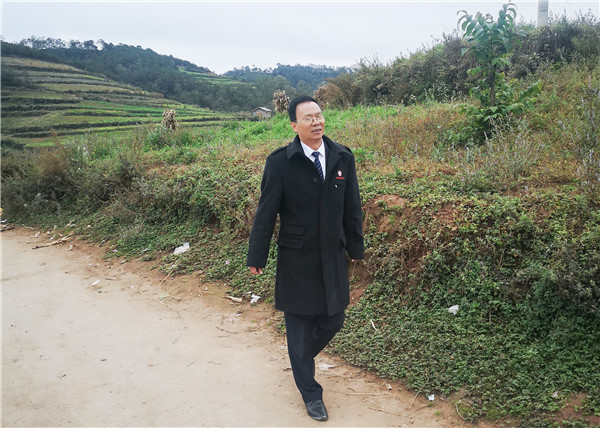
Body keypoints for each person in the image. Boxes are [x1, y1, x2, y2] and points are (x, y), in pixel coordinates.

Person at [246, 95, 364, 421]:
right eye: (308, 118)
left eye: (319, 115)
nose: (316, 122)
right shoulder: (280, 163)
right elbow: (266, 212)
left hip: (332, 254)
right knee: (298, 326)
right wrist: (257, 254)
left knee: (334, 318)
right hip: (296, 257)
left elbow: (352, 207)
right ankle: (311, 394)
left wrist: (356, 248)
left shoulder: (342, 157)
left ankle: (299, 359)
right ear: (294, 125)